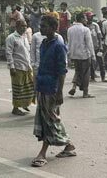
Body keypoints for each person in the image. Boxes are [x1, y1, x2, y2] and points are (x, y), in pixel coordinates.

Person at [31, 16, 75, 168]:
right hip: (42, 85)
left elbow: (62, 71)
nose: (41, 28)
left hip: (52, 87)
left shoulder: (59, 46)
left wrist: (60, 91)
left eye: (44, 26)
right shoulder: (44, 43)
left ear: (53, 28)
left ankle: (42, 153)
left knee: (50, 119)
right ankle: (68, 145)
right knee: (48, 119)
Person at [6, 20, 35, 115]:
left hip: (27, 66)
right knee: (18, 88)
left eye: (25, 26)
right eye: (22, 26)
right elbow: (9, 53)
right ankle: (16, 108)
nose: (24, 28)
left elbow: (27, 52)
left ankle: (25, 104)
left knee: (29, 87)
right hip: (17, 67)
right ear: (17, 26)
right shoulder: (11, 38)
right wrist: (11, 66)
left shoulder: (25, 37)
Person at [67, 13, 95, 99]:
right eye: (85, 18)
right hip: (84, 55)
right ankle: (85, 93)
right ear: (82, 19)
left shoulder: (70, 29)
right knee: (86, 73)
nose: (87, 20)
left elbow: (69, 42)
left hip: (74, 54)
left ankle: (74, 87)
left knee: (78, 71)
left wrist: (69, 55)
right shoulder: (85, 29)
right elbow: (89, 43)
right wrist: (93, 55)